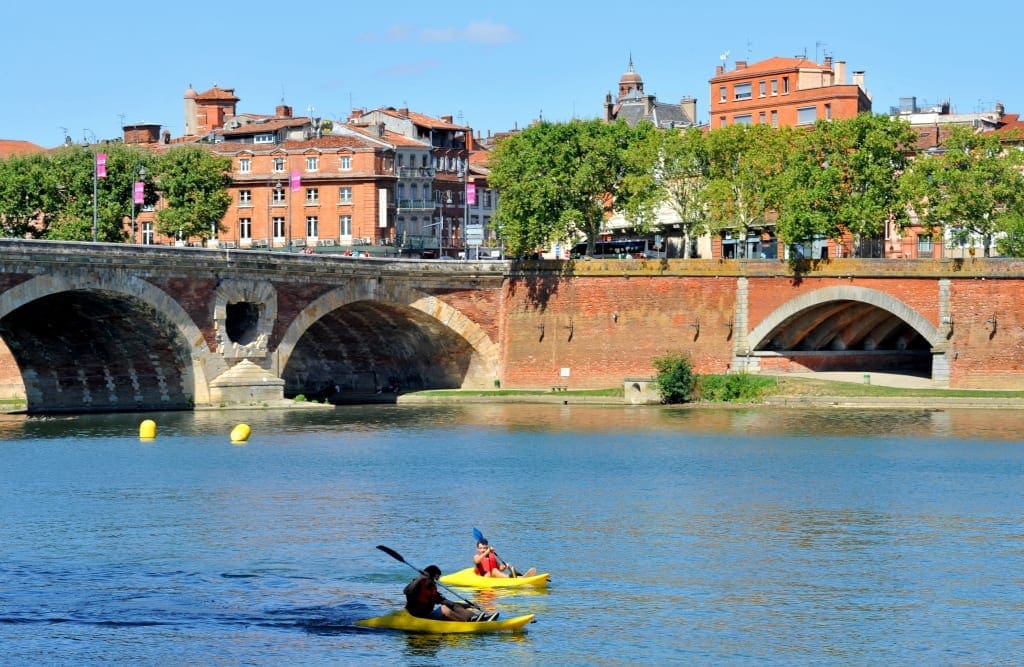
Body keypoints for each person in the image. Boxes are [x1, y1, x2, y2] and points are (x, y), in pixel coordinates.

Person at [403, 565, 496, 622]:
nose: (437, 581)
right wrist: (419, 578)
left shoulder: (432, 589)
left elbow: (449, 603)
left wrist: (468, 605)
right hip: (415, 617)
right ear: (429, 577)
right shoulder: (417, 585)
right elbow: (406, 591)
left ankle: (478, 618)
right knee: (444, 609)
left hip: (427, 616)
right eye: (436, 578)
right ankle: (468, 623)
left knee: (452, 606)